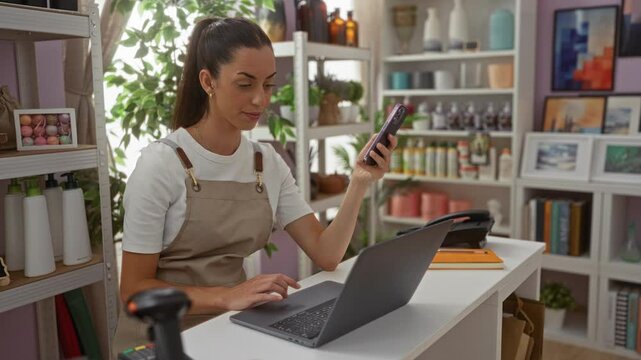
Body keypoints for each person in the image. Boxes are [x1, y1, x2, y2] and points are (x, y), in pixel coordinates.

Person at [112, 17, 397, 354]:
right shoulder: (160, 164)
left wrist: (360, 182)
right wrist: (228, 295)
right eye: (245, 84)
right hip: (161, 341)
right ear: (208, 81)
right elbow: (133, 289)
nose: (261, 100)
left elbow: (327, 254)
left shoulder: (267, 163)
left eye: (268, 85)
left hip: (230, 330)